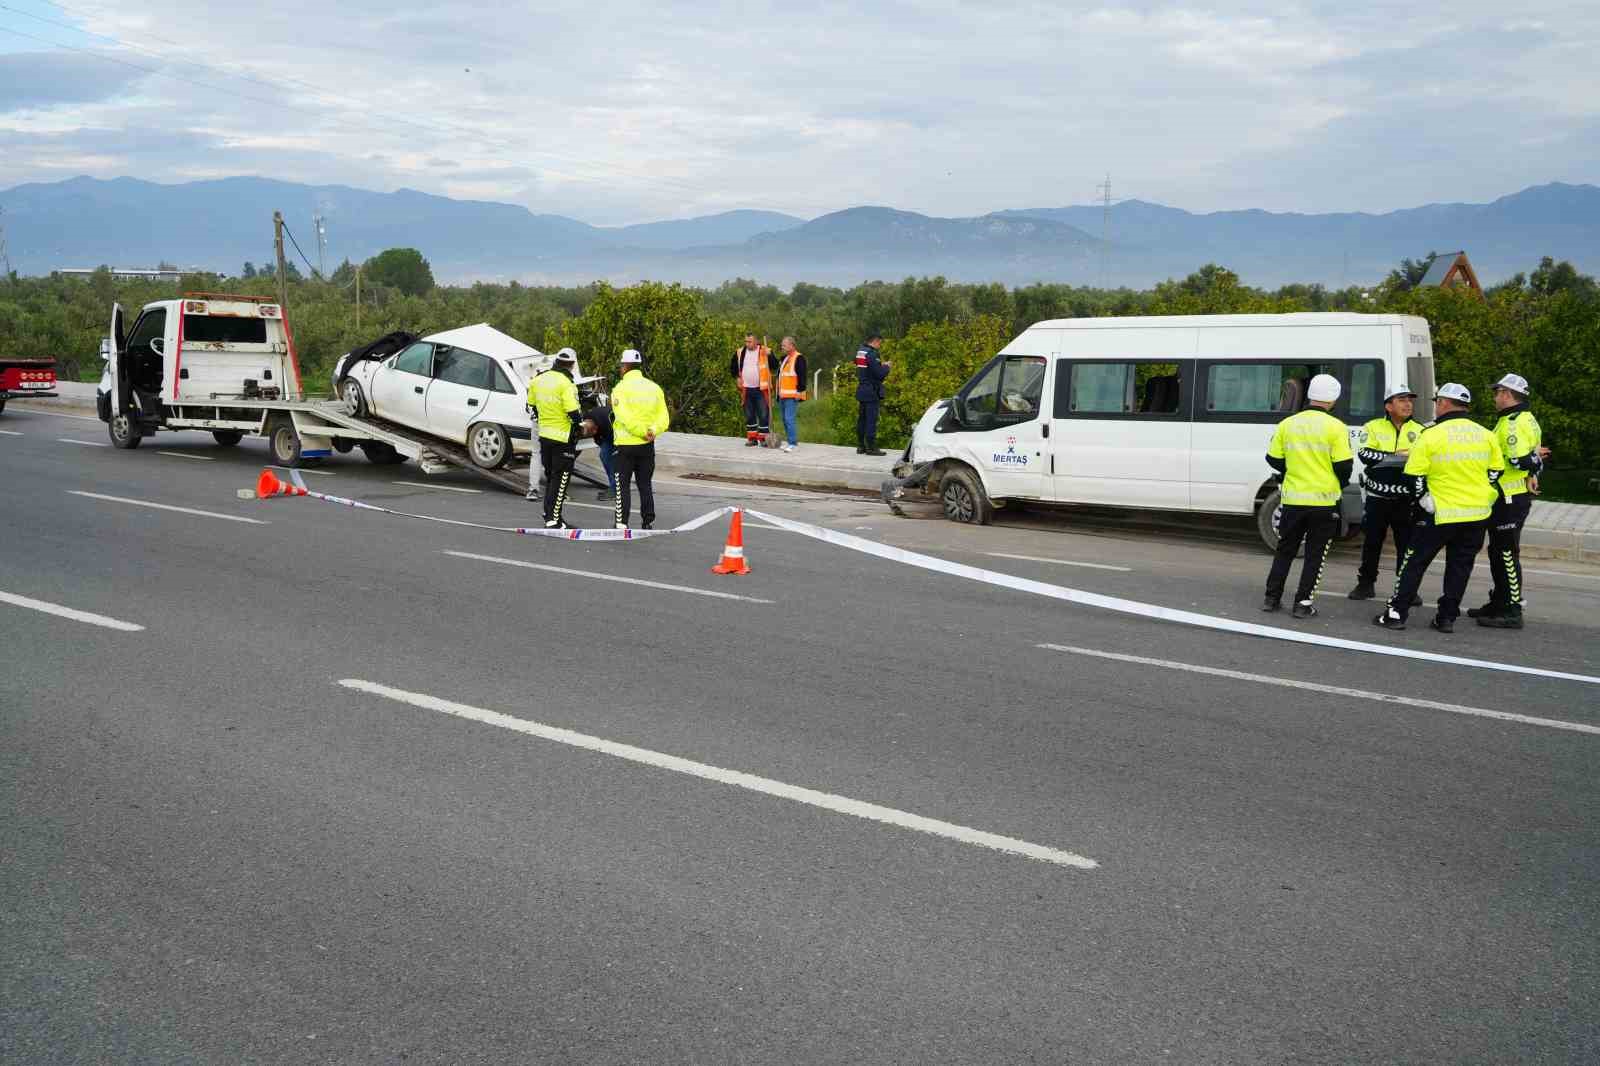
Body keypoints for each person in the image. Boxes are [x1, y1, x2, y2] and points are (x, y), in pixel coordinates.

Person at [1375, 383, 1505, 633]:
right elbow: (1495, 471)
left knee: (1414, 562)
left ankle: (1396, 614)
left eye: (1437, 402)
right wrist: (1481, 492)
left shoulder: (1431, 434)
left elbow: (1414, 476)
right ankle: (1446, 618)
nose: (1435, 406)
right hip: (1476, 514)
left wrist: (1422, 498)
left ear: (1444, 403)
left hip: (1439, 513)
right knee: (1460, 567)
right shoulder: (1486, 434)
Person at [1261, 373, 1353, 618]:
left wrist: (1291, 470)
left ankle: (1272, 598)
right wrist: (1336, 483)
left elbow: (1272, 458)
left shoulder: (1288, 424)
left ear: (1310, 395)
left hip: (1292, 499)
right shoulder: (1337, 427)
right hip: (1324, 502)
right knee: (1315, 555)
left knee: (1285, 550)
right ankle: (1302, 604)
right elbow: (1344, 466)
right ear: (1333, 399)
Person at [1470, 372, 1551, 628]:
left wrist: (1533, 463)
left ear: (1507, 394)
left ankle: (1512, 610)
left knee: (1506, 553)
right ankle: (1500, 601)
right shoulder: (1527, 419)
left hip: (1509, 498)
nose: (1495, 397)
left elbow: (1520, 460)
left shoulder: (1513, 423)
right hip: (1510, 496)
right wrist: (1534, 470)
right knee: (1497, 551)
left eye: (1497, 392)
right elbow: (1532, 455)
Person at [1348, 384, 1427, 601]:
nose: (1408, 404)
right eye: (1402, 399)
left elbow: (1424, 461)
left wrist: (1385, 458)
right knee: (1371, 543)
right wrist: (1401, 458)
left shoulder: (1420, 430)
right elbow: (1365, 455)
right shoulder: (1372, 427)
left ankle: (1407, 590)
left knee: (1407, 547)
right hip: (1376, 498)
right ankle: (1365, 584)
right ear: (1388, 405)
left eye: (1410, 400)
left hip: (1407, 500)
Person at [611, 348, 670, 530]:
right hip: (647, 446)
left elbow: (623, 416)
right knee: (645, 484)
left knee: (623, 486)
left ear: (625, 366)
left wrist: (640, 431)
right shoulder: (654, 388)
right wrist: (651, 431)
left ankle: (622, 523)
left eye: (621, 365)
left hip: (626, 445)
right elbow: (664, 418)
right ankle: (648, 520)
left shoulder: (620, 389)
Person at [531, 348, 584, 529]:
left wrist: (543, 420)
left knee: (551, 477)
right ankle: (553, 520)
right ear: (572, 364)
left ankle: (549, 514)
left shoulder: (538, 380)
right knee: (560, 480)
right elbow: (572, 412)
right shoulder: (566, 383)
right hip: (563, 438)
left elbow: (531, 407)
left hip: (545, 436)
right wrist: (580, 425)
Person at [730, 333, 777, 446]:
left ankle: (764, 439)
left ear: (756, 341)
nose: (747, 344)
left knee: (763, 414)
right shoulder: (740, 352)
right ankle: (752, 438)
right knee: (749, 415)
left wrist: (770, 355)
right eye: (746, 341)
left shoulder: (764, 350)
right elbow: (733, 367)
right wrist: (737, 377)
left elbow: (775, 366)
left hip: (761, 389)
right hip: (746, 389)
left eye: (749, 341)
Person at [855, 333, 892, 455]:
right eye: (879, 343)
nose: (879, 346)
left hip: (862, 389)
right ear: (875, 341)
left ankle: (861, 446)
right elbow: (879, 374)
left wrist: (879, 365)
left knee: (862, 419)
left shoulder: (861, 351)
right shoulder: (872, 353)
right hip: (871, 391)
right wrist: (887, 367)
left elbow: (867, 368)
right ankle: (871, 448)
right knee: (871, 420)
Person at [775, 336, 808, 452]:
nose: (782, 347)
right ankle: (790, 441)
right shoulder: (785, 358)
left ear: (792, 345)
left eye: (784, 345)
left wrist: (799, 391)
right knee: (784, 419)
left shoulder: (799, 358)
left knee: (789, 419)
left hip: (792, 395)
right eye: (782, 345)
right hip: (783, 395)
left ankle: (793, 443)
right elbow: (780, 376)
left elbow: (802, 376)